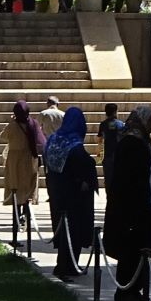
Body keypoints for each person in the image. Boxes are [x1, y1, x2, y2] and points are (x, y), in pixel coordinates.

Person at [103, 105, 151, 301]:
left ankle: (134, 289)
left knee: (138, 249)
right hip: (131, 207)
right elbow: (131, 177)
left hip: (139, 204)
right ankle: (126, 290)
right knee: (131, 250)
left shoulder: (138, 138)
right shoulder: (132, 142)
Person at [44, 106, 97, 277]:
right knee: (73, 232)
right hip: (74, 198)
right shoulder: (75, 146)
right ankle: (69, 265)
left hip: (56, 194)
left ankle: (64, 263)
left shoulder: (52, 140)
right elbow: (86, 168)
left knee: (62, 231)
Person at [0, 101, 43, 229]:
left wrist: (11, 122)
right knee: (27, 186)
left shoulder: (12, 125)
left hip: (14, 160)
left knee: (15, 186)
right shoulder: (32, 124)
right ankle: (26, 212)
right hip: (29, 159)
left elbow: (3, 136)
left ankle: (17, 215)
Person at [97, 103, 123, 188]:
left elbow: (100, 141)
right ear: (115, 112)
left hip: (107, 157)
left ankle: (109, 199)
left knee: (108, 180)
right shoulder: (120, 124)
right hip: (119, 156)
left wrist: (99, 157)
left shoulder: (103, 124)